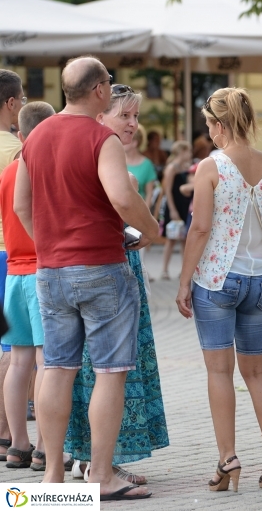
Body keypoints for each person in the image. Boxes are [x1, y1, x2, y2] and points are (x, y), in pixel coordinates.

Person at [15, 56, 157, 500]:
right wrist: (150, 230)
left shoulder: (36, 136)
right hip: (100, 267)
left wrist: (50, 244)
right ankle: (100, 476)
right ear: (99, 91)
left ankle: (52, 478)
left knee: (56, 368)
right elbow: (121, 196)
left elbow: (22, 206)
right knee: (111, 372)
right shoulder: (102, 138)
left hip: (50, 270)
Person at [177, 87, 262, 492]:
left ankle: (228, 459)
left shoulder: (211, 167)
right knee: (258, 371)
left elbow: (201, 228)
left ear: (221, 124)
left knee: (220, 372)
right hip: (261, 279)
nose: (209, 133)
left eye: (209, 125)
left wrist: (183, 279)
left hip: (216, 279)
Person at [65, 84, 169, 484]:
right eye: (124, 115)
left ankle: (82, 458)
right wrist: (149, 230)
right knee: (107, 367)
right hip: (108, 268)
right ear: (99, 115)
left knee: (86, 366)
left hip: (96, 265)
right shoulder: (109, 164)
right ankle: (98, 462)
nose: (133, 124)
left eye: (136, 116)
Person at [1, 102, 56, 471]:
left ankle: (17, 443)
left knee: (18, 361)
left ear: (20, 134)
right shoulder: (44, 170)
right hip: (40, 269)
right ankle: (43, 447)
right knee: (44, 359)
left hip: (13, 271)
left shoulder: (8, 172)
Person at [0, 70, 26, 457]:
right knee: (11, 349)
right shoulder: (14, 149)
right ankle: (6, 430)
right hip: (9, 252)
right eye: (19, 100)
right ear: (9, 104)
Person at [160, 140, 193, 280]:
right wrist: (172, 209)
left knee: (184, 238)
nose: (190, 154)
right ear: (182, 152)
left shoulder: (187, 167)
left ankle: (183, 270)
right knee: (171, 239)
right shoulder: (171, 168)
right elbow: (167, 191)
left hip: (184, 205)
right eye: (188, 151)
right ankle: (164, 270)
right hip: (174, 204)